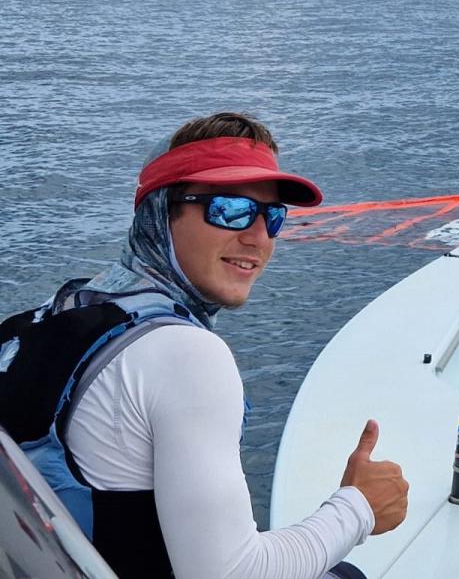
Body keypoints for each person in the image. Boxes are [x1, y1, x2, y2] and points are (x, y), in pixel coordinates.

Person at [0, 113, 408, 579]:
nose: (258, 237)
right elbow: (231, 574)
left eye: (272, 216)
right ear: (161, 213)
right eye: (229, 210)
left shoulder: (60, 311)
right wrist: (360, 507)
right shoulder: (186, 356)